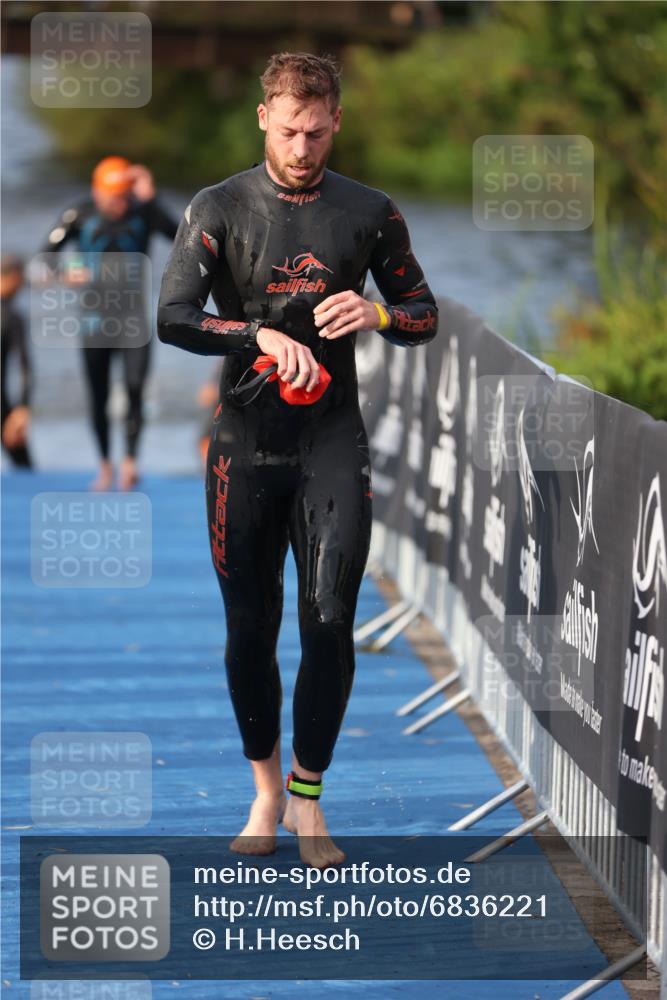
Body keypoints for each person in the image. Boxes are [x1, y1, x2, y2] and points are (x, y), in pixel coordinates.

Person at [158, 52, 438, 868]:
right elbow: (173, 317)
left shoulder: (370, 212)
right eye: (288, 131)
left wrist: (379, 314)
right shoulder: (220, 206)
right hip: (244, 449)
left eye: (317, 132)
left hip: (329, 442)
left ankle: (309, 801)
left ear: (336, 122)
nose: (303, 147)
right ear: (263, 120)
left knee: (329, 624)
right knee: (251, 628)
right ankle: (264, 793)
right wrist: (258, 333)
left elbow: (422, 314)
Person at [40, 157, 178, 490]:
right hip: (93, 322)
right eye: (110, 197)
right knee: (98, 394)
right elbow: (44, 258)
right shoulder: (79, 215)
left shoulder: (144, 211)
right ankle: (104, 465)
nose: (117, 204)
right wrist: (63, 273)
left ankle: (130, 461)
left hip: (134, 321)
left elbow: (183, 237)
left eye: (123, 197)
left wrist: (153, 198)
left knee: (134, 388)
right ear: (96, 191)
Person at [1, 255, 33, 468]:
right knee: (24, 469)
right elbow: (25, 368)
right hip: (2, 409)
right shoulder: (11, 317)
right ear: (13, 278)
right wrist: (21, 409)